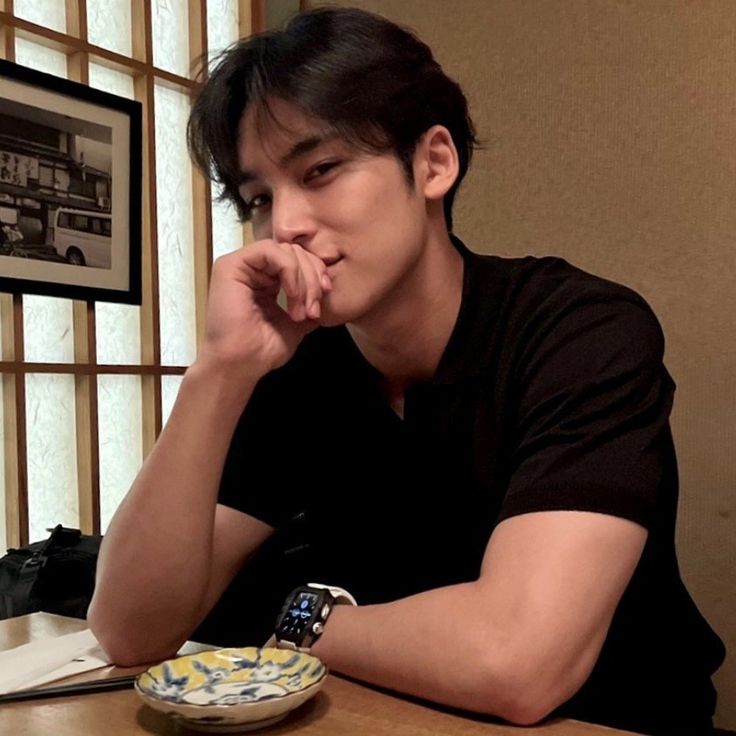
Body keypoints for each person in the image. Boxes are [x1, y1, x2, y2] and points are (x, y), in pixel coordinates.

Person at [87, 7, 725, 735]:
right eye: (259, 199)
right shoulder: (294, 366)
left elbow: (517, 664)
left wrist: (300, 618)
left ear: (433, 164)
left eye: (320, 170)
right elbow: (130, 633)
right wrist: (219, 372)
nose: (285, 224)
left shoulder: (580, 333)